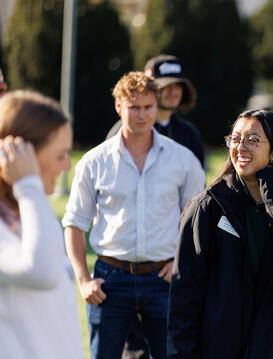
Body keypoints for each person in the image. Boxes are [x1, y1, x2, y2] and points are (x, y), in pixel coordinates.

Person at [62, 72, 205, 359]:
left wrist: (181, 263)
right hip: (110, 280)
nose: (142, 114)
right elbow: (74, 223)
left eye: (148, 107)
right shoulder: (94, 162)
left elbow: (197, 222)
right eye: (134, 107)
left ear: (157, 106)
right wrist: (83, 279)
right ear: (119, 106)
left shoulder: (183, 160)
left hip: (164, 278)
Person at [168, 110, 273, 359]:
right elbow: (184, 294)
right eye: (235, 139)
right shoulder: (208, 206)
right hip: (217, 348)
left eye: (253, 140)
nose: (240, 148)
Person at [0, 90, 82, 358]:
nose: (67, 165)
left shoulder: (30, 209)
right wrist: (28, 185)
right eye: (60, 155)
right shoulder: (29, 196)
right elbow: (40, 272)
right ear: (21, 155)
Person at [107, 54, 205, 168]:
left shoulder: (189, 134)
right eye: (166, 85)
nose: (173, 91)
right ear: (148, 89)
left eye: (177, 85)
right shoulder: (123, 132)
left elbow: (198, 182)